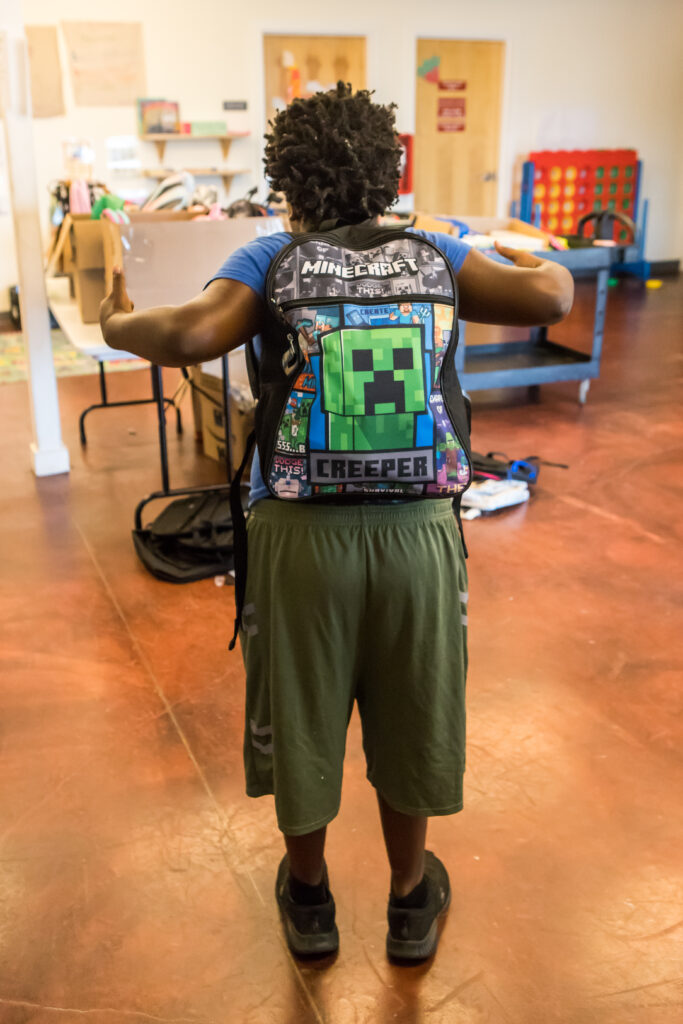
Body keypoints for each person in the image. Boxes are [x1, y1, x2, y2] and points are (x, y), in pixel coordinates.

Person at [101, 83, 573, 962]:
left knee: (303, 712)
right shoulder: (434, 251)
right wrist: (510, 244)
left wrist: (118, 320)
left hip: (297, 538)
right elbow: (547, 296)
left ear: (287, 182)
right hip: (418, 535)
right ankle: (407, 901)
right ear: (389, 172)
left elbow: (190, 332)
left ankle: (310, 903)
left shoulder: (268, 257)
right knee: (413, 707)